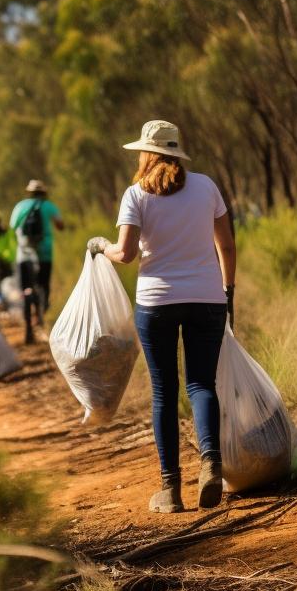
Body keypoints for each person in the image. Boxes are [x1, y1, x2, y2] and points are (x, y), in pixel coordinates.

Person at [91, 120, 237, 514]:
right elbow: (225, 243)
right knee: (201, 384)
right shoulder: (206, 186)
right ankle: (210, 465)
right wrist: (228, 291)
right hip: (207, 298)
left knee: (164, 392)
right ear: (176, 153)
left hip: (156, 303)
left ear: (147, 154)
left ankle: (170, 490)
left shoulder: (136, 194)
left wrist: (100, 246)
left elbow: (125, 254)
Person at [10, 179, 64, 344]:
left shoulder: (20, 206)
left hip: (24, 255)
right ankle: (41, 315)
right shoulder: (49, 206)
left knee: (26, 290)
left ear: (29, 192)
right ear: (43, 192)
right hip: (44, 254)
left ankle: (28, 328)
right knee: (43, 287)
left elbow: (12, 226)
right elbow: (60, 225)